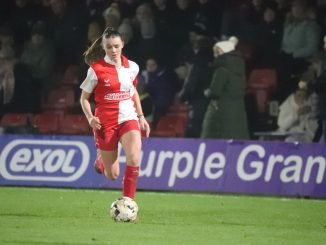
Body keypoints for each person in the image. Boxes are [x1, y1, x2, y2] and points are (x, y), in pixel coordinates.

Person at [80, 27, 150, 200]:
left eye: (116, 46)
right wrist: (90, 118)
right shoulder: (95, 70)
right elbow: (84, 99)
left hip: (128, 118)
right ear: (103, 47)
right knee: (113, 175)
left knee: (134, 159)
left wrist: (141, 117)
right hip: (105, 123)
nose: (113, 50)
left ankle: (128, 203)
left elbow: (133, 91)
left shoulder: (132, 67)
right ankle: (101, 161)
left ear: (122, 45)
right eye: (109, 47)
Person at [201, 36, 249, 139]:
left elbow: (215, 92)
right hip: (238, 112)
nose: (215, 56)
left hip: (221, 112)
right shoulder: (240, 69)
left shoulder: (221, 70)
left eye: (217, 52)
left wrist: (207, 92)